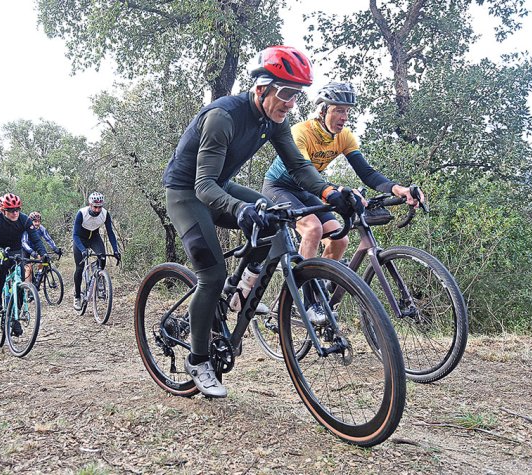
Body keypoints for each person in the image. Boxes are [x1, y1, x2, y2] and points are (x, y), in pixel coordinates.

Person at [162, 45, 363, 398]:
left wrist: (331, 193)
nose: (290, 103)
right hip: (186, 192)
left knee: (271, 219)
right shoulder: (222, 117)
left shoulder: (276, 121)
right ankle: (197, 359)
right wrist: (239, 210)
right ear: (261, 88)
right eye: (285, 93)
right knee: (211, 276)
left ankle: (234, 299)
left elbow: (301, 169)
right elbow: (203, 185)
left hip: (217, 186)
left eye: (297, 96)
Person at [262, 81, 425, 263]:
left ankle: (320, 288)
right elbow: (303, 175)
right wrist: (337, 189)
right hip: (278, 188)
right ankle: (297, 290)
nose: (345, 117)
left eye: (347, 111)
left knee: (340, 240)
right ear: (323, 111)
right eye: (339, 110)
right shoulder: (301, 132)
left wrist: (397, 189)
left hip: (306, 190)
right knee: (313, 229)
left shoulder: (344, 137)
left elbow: (367, 173)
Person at [0, 193, 49, 322]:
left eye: (17, 210)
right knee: (3, 265)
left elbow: (36, 240)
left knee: (20, 279)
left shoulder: (24, 219)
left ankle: (15, 317)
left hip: (16, 250)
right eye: (11, 210)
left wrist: (43, 254)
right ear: (3, 211)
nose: (15, 213)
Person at [71, 192, 120, 311]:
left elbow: (110, 232)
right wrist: (82, 250)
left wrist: (115, 250)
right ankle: (77, 296)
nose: (97, 209)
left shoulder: (105, 214)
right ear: (90, 204)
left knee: (102, 257)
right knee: (79, 267)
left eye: (100, 207)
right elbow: (75, 235)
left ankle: (99, 278)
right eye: (95, 207)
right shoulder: (81, 213)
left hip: (94, 238)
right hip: (80, 239)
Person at [21, 211, 62, 282]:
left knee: (44, 258)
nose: (37, 223)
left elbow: (48, 239)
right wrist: (32, 253)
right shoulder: (26, 229)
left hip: (36, 246)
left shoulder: (41, 228)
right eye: (35, 221)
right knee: (28, 268)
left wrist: (55, 248)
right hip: (25, 248)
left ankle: (39, 274)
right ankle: (28, 289)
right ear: (30, 221)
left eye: (39, 221)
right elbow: (24, 243)